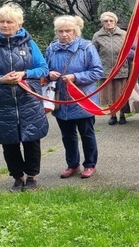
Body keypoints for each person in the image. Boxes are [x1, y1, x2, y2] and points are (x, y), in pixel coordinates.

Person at [0, 3, 49, 192]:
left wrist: (23, 74)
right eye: (1, 21)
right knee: (9, 143)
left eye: (9, 21)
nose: (5, 25)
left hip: (28, 101)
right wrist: (1, 79)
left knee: (32, 140)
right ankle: (17, 178)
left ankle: (32, 177)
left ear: (19, 24)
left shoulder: (29, 43)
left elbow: (43, 68)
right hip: (1, 102)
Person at [45, 15, 104, 179]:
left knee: (87, 134)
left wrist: (75, 77)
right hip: (61, 100)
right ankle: (72, 165)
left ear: (75, 31)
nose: (64, 34)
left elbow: (98, 72)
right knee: (67, 135)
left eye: (68, 31)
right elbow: (44, 69)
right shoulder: (51, 48)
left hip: (83, 99)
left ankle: (90, 165)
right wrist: (49, 74)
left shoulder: (86, 47)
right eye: (61, 31)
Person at [91, 11, 130, 125]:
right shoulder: (97, 36)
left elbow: (130, 50)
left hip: (121, 69)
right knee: (109, 94)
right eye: (106, 21)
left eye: (111, 20)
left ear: (115, 21)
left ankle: (122, 114)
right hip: (105, 69)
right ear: (102, 22)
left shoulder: (123, 34)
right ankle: (113, 115)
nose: (108, 23)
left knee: (121, 93)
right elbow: (93, 53)